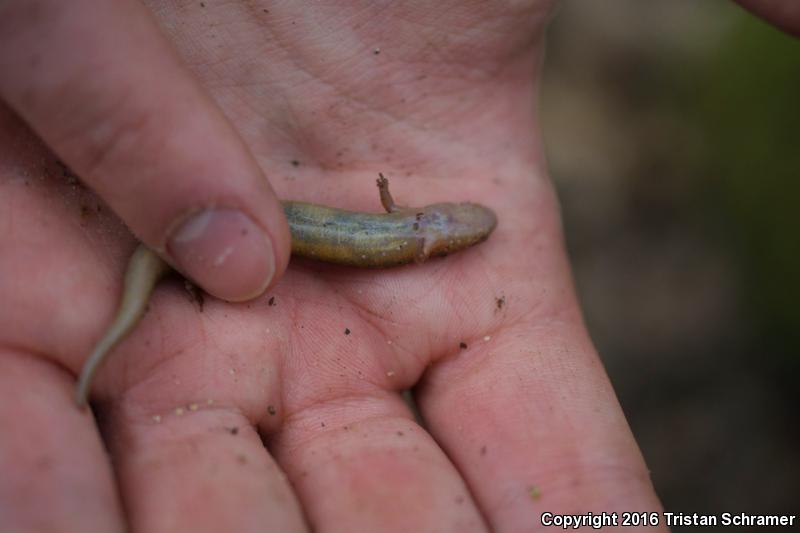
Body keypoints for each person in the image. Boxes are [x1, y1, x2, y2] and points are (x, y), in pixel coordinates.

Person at [0, 1, 796, 531]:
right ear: (433, 230)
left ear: (432, 234)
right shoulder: (410, 239)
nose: (457, 227)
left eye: (460, 232)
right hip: (277, 223)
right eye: (458, 228)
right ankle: (166, 280)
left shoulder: (405, 235)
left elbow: (392, 214)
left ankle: (175, 277)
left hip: (294, 226)